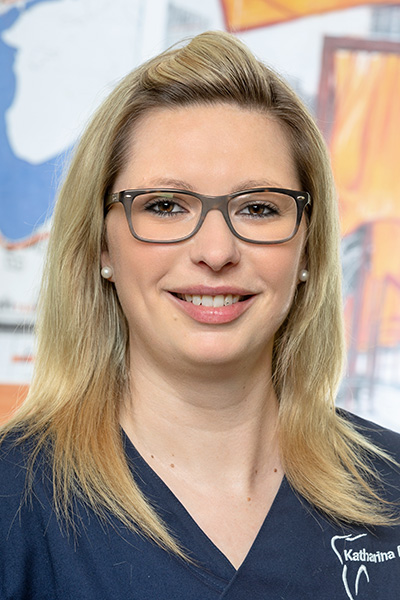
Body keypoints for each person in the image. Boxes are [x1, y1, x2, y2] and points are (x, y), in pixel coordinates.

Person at [0, 31, 399, 600]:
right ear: (102, 246)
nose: (216, 251)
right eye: (165, 206)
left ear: (308, 249)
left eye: (258, 208)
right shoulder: (14, 502)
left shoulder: (391, 490)